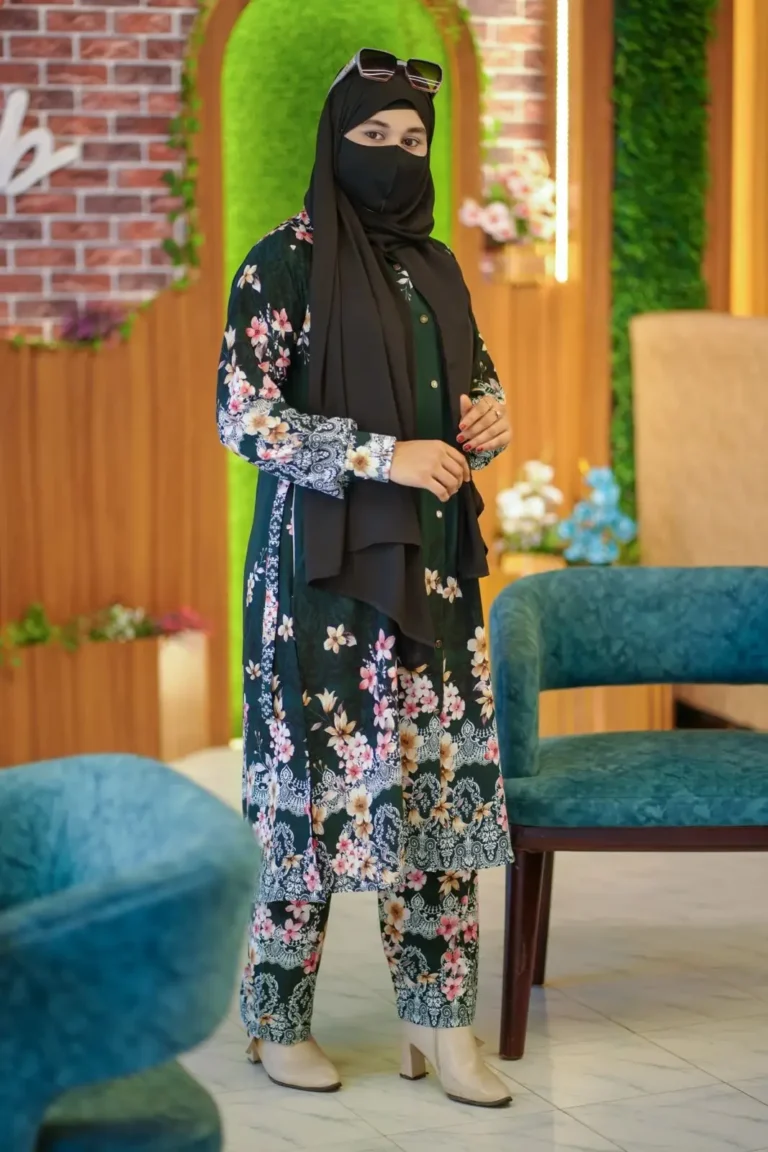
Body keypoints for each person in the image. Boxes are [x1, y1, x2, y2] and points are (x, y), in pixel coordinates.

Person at [216, 47, 513, 1107]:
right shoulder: (282, 263)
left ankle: (442, 1024)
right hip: (320, 585)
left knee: (433, 800)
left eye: (412, 139)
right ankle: (276, 1019)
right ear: (333, 142)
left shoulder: (437, 266)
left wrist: (490, 418)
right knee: (309, 803)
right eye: (372, 135)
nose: (394, 154)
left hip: (433, 575)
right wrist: (381, 454)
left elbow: (472, 383)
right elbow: (244, 417)